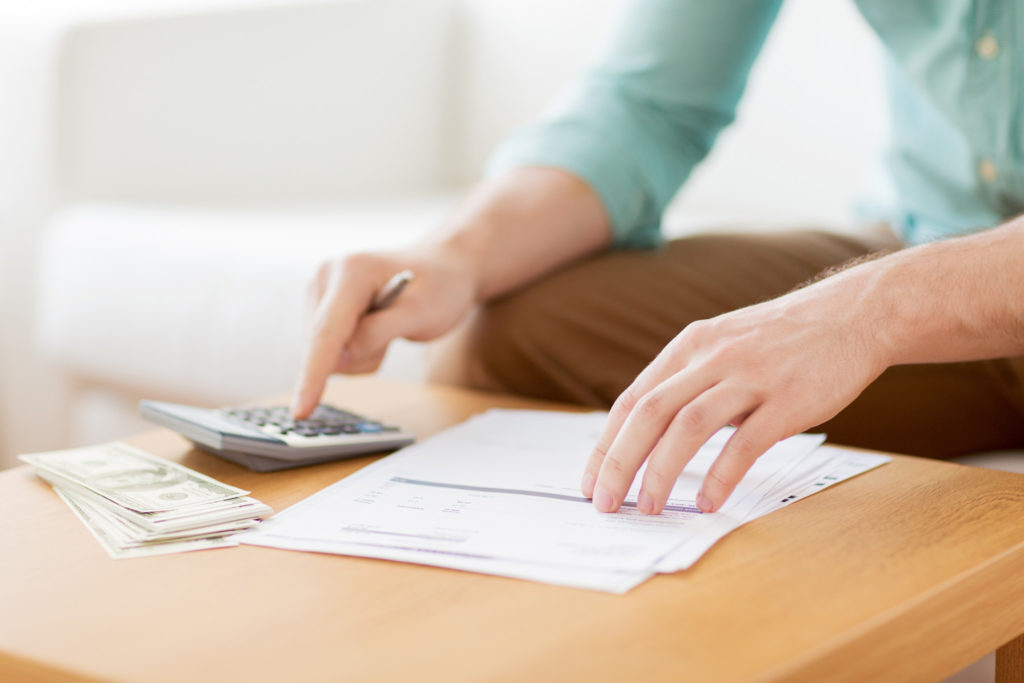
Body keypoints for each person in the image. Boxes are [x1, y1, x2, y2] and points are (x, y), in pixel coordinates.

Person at [291, 1, 1024, 516]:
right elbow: (649, 103)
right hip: (931, 238)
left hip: (943, 286)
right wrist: (455, 253)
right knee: (516, 332)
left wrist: (870, 310)